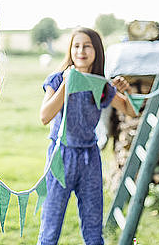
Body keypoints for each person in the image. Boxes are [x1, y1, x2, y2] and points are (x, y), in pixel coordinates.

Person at [37, 27, 137, 245]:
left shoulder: (100, 85)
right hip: (60, 158)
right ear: (70, 50)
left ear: (97, 51)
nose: (81, 51)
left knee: (93, 231)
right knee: (50, 229)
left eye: (87, 46)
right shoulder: (56, 80)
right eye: (76, 46)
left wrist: (125, 91)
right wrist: (67, 83)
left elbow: (131, 111)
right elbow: (45, 116)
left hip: (89, 159)